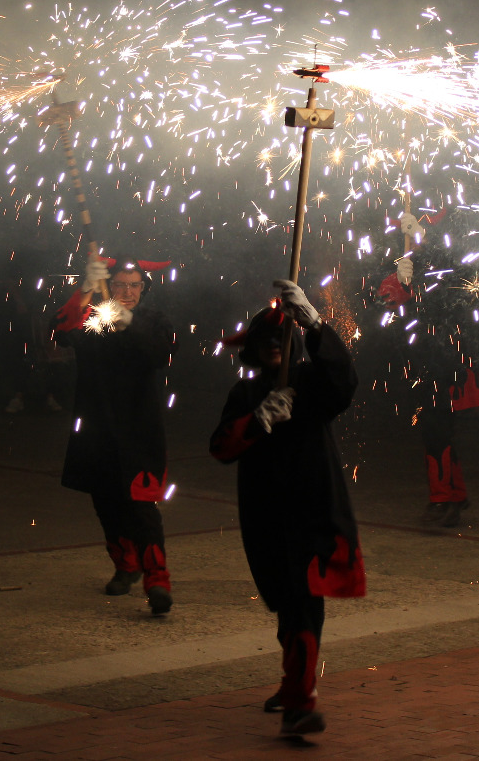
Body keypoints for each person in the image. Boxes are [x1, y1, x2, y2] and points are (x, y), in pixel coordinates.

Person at [210, 280, 363, 737]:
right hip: (267, 517)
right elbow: (220, 448)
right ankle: (293, 681)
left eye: (284, 338)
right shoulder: (244, 395)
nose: (276, 346)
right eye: (267, 341)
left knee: (303, 605)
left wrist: (315, 324)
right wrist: (256, 421)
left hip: (313, 512)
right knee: (288, 606)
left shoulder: (310, 383)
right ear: (254, 349)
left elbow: (343, 382)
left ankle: (299, 702)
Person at [56, 256, 177, 614]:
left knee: (141, 506)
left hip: (139, 430)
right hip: (97, 427)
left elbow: (163, 353)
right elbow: (59, 331)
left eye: (134, 286)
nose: (127, 292)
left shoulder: (153, 320)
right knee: (106, 502)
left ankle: (158, 580)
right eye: (120, 285)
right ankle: (126, 566)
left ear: (144, 288)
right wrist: (83, 291)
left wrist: (131, 324)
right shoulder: (93, 317)